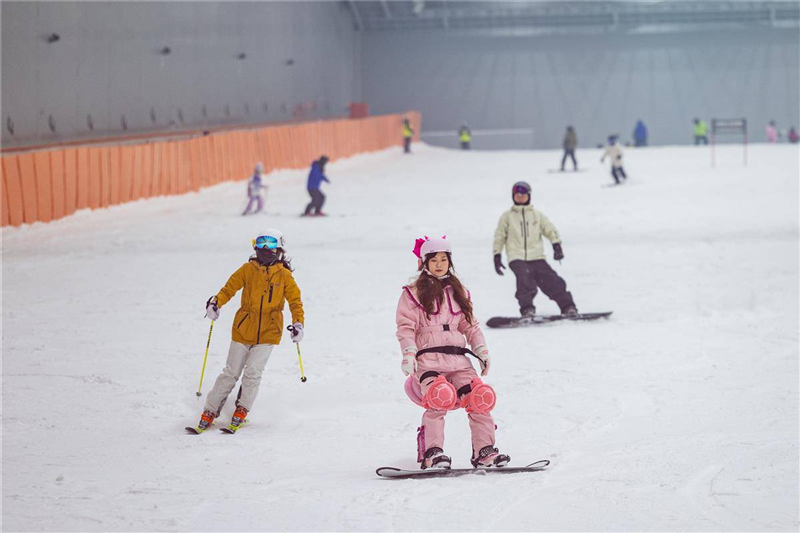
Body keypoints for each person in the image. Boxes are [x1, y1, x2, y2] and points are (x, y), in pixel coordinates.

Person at [396, 236, 510, 470]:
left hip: (459, 360)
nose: (439, 264)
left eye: (444, 259)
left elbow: (470, 326)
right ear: (424, 263)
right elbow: (406, 327)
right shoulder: (412, 293)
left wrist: (481, 351)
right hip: (429, 361)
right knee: (439, 397)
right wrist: (408, 353)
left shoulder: (459, 292)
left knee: (480, 397)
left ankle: (484, 451)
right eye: (434, 260)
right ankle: (433, 453)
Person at [196, 229, 305, 432]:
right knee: (231, 372)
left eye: (270, 244)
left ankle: (242, 409)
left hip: (269, 331)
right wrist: (216, 302)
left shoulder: (284, 276)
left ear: (279, 248)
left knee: (253, 373)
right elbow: (229, 288)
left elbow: (295, 302)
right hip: (243, 328)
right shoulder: (247, 270)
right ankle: (210, 410)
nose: (265, 248)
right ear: (255, 247)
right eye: (261, 243)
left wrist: (298, 324)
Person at [493, 182, 578, 318]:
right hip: (516, 256)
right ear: (513, 196)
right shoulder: (507, 217)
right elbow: (499, 236)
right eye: (517, 195)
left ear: (529, 196)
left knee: (552, 280)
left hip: (537, 256)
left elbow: (550, 230)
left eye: (524, 195)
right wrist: (497, 255)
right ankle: (527, 309)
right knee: (525, 280)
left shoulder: (537, 215)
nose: (520, 198)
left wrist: (556, 245)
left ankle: (568, 307)